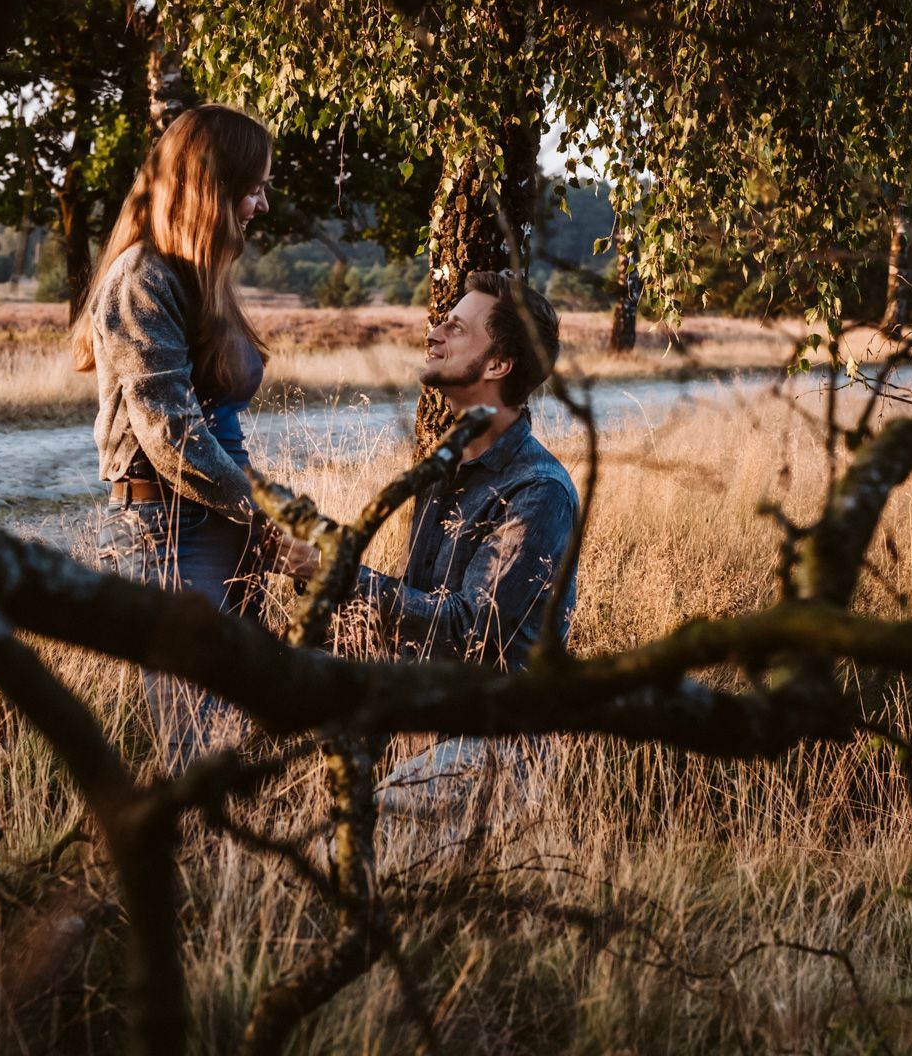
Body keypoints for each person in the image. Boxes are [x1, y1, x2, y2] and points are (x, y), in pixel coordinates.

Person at [287, 270, 580, 812]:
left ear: (497, 365)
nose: (434, 334)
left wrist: (341, 574)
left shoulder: (537, 492)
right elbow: (421, 605)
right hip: (425, 728)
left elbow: (469, 629)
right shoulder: (445, 470)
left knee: (341, 854)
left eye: (456, 329)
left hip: (494, 746)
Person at [71, 104, 276, 771]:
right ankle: (192, 863)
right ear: (212, 187)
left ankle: (234, 867)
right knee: (195, 731)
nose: (262, 205)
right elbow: (170, 432)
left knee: (235, 720)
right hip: (171, 526)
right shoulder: (141, 279)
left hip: (222, 520)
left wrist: (251, 516)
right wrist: (262, 508)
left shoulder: (194, 277)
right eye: (254, 188)